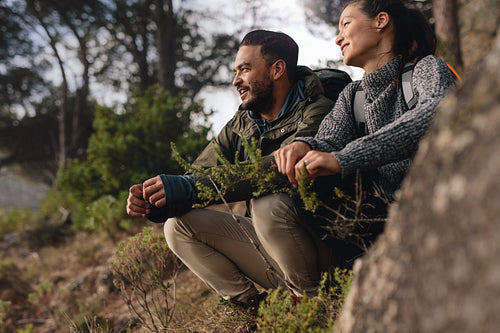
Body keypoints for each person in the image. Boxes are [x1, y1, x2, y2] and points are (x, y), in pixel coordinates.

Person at [126, 30, 334, 311]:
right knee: (177, 227)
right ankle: (255, 311)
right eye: (236, 71)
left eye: (245, 70)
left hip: (325, 254)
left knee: (268, 203)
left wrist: (189, 188)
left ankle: (314, 307)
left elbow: (278, 172)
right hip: (275, 252)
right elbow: (196, 176)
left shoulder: (319, 109)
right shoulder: (242, 123)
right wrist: (158, 201)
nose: (236, 80)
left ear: (277, 69)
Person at [274, 0, 455, 253]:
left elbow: (436, 114)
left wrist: (345, 158)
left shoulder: (426, 67)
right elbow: (329, 142)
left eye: (346, 24)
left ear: (381, 21)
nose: (338, 39)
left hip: (447, 198)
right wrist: (304, 145)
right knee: (312, 179)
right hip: (385, 217)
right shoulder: (351, 95)